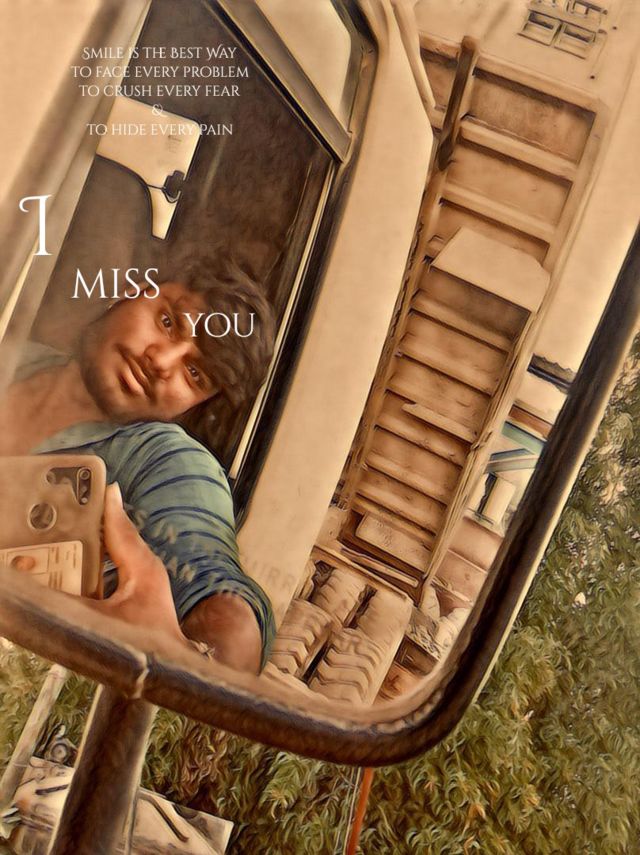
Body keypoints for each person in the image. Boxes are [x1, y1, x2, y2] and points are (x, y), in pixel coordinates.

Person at [0, 257, 276, 673]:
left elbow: (225, 610)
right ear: (129, 292)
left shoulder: (164, 461)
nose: (161, 363)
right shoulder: (15, 355)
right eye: (168, 322)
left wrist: (195, 658)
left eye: (194, 373)